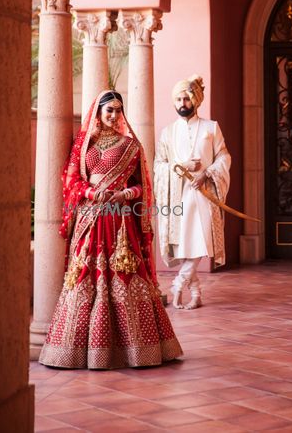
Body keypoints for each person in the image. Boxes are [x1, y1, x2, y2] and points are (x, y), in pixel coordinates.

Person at [39, 90, 183, 369]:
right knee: (82, 278)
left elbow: (143, 187)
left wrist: (125, 195)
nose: (114, 115)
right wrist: (92, 194)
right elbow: (71, 181)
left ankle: (138, 351)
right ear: (98, 113)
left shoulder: (131, 146)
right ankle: (73, 351)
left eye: (118, 110)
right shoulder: (83, 145)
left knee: (124, 277)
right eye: (109, 110)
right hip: (89, 220)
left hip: (119, 221)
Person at [154, 75, 231, 310]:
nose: (182, 103)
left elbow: (224, 157)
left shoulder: (210, 128)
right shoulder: (167, 133)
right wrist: (182, 168)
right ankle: (195, 294)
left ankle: (177, 285)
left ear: (195, 100)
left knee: (201, 241)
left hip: (204, 195)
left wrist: (206, 173)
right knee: (187, 245)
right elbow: (158, 165)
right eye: (178, 99)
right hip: (178, 197)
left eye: (186, 98)